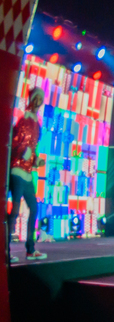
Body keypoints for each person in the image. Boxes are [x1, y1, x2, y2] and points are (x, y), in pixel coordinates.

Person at [8, 88, 45, 261]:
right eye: (36, 99)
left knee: (34, 208)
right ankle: (5, 250)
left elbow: (32, 149)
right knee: (15, 210)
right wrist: (24, 153)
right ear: (31, 100)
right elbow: (15, 143)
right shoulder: (23, 120)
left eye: (40, 100)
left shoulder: (37, 125)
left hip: (28, 173)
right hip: (17, 171)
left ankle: (30, 249)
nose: (38, 103)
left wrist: (36, 160)